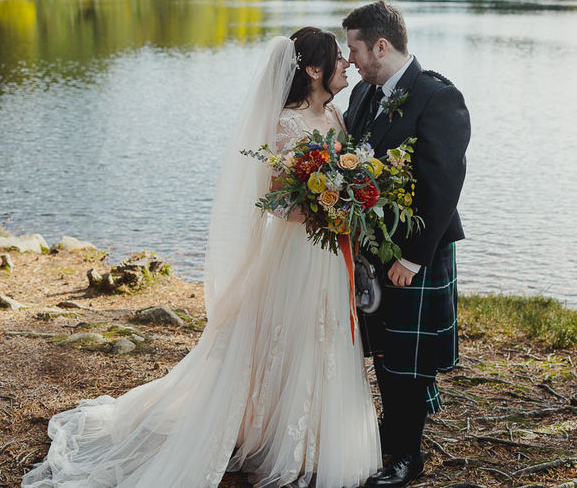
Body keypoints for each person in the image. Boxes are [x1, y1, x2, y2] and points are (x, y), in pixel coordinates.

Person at [21, 27, 381, 488]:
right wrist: (319, 207)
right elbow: (272, 197)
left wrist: (344, 200)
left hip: (330, 253)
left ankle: (315, 437)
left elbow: (343, 173)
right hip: (296, 251)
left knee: (325, 335)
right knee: (287, 337)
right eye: (337, 56)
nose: (346, 63)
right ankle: (274, 438)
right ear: (313, 70)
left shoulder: (333, 113)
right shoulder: (285, 123)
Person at [342, 1, 471, 487]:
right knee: (384, 353)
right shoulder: (362, 95)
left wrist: (413, 258)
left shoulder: (438, 96)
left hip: (417, 255)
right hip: (372, 253)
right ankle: (390, 434)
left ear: (380, 45)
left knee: (408, 361)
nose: (350, 59)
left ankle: (406, 457)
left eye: (355, 49)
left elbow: (444, 185)